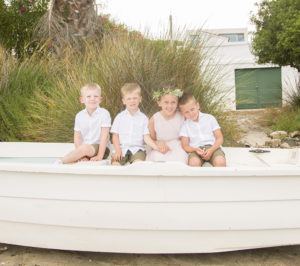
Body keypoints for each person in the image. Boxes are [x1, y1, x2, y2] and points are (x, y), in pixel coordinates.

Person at [57, 83, 111, 164]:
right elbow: (77, 138)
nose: (92, 99)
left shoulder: (104, 114)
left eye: (96, 96)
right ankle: (60, 166)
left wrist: (100, 155)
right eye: (88, 96)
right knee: (72, 161)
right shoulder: (79, 116)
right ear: (82, 100)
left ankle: (59, 162)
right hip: (84, 150)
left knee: (84, 148)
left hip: (101, 148)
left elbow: (105, 136)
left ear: (100, 99)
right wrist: (82, 157)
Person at [110, 83, 159, 166]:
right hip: (122, 149)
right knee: (115, 165)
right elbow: (115, 136)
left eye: (135, 98)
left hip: (138, 150)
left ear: (140, 99)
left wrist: (156, 147)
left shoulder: (143, 118)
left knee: (138, 165)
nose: (132, 101)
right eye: (129, 99)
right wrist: (118, 150)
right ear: (124, 101)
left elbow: (146, 137)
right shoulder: (119, 117)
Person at [178, 92, 226, 167]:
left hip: (213, 147)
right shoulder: (185, 126)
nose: (191, 114)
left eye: (192, 109)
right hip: (196, 150)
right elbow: (185, 146)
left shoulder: (209, 118)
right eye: (186, 112)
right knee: (194, 163)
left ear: (197, 105)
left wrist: (211, 150)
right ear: (182, 113)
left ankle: (219, 178)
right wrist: (195, 150)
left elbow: (219, 138)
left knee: (220, 162)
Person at [147, 86, 188, 163]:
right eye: (166, 102)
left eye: (173, 102)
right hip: (161, 147)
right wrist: (157, 143)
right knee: (156, 159)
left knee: (180, 159)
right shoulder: (154, 119)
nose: (169, 106)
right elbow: (151, 139)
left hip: (177, 147)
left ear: (177, 103)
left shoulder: (182, 116)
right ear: (159, 103)